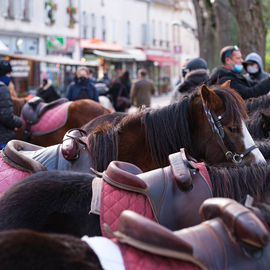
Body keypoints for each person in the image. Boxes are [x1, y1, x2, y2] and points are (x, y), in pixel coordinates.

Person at [0, 60, 22, 150]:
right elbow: (6, 117)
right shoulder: (3, 89)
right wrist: (19, 122)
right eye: (9, 73)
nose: (10, 76)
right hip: (2, 140)